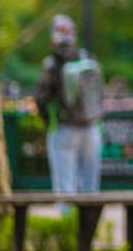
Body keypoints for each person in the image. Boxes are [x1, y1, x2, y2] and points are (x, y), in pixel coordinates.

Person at [36, 14, 105, 195]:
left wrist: (48, 122)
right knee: (90, 186)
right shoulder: (88, 58)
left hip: (64, 128)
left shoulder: (52, 63)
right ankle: (90, 222)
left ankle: (68, 222)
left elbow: (41, 98)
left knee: (65, 186)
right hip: (91, 128)